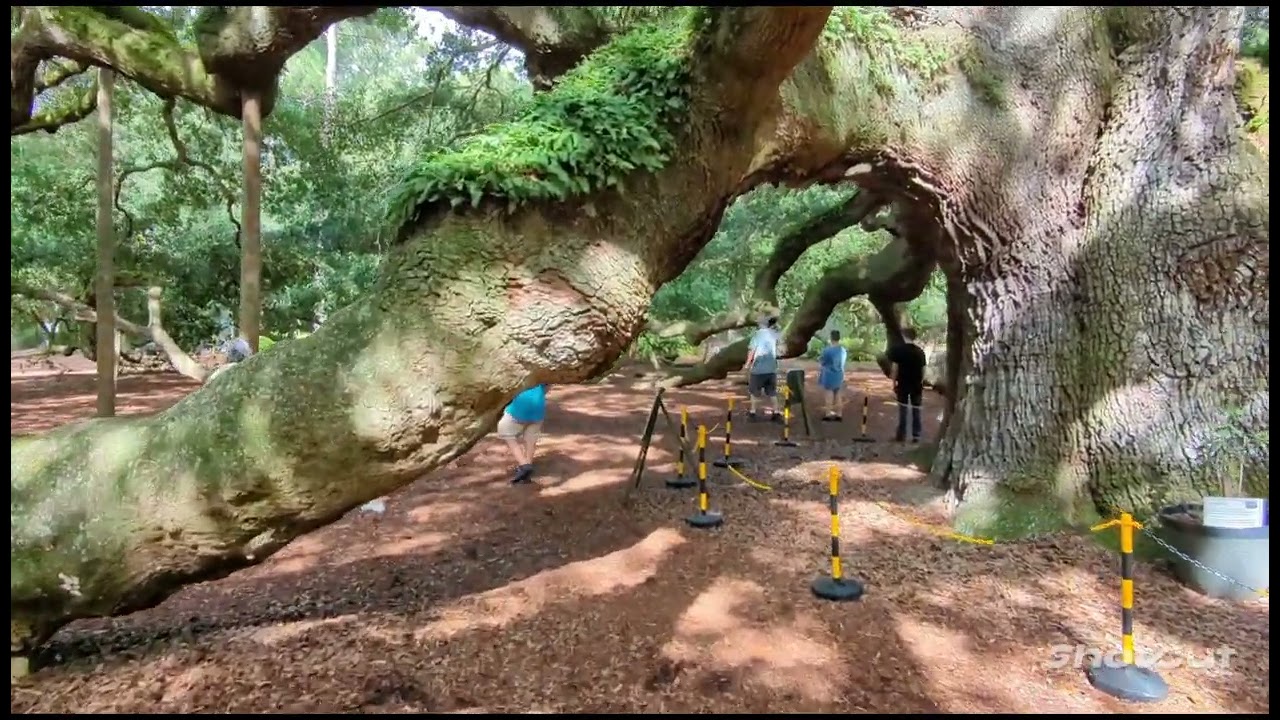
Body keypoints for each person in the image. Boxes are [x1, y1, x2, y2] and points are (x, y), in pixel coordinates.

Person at [497, 383, 548, 484]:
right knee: (531, 436)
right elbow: (546, 389)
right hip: (539, 409)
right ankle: (528, 464)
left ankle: (524, 464)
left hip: (521, 405)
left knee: (505, 429)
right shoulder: (544, 374)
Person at [886, 328, 928, 442]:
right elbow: (924, 370)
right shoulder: (920, 352)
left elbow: (895, 369)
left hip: (903, 383)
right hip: (916, 384)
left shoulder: (899, 351)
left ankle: (901, 434)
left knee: (903, 409)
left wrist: (893, 382)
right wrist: (921, 381)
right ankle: (916, 435)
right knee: (916, 409)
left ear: (904, 336)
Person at [745, 317, 782, 422]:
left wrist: (747, 363)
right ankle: (776, 412)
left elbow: (752, 350)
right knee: (772, 392)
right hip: (771, 368)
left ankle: (752, 413)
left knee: (754, 392)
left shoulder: (758, 334)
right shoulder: (774, 334)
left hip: (758, 368)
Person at [818, 330, 847, 421]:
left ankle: (828, 414)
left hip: (829, 375)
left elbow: (822, 361)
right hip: (839, 374)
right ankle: (839, 414)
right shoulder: (843, 350)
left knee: (829, 395)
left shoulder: (827, 350)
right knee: (838, 395)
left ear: (831, 338)